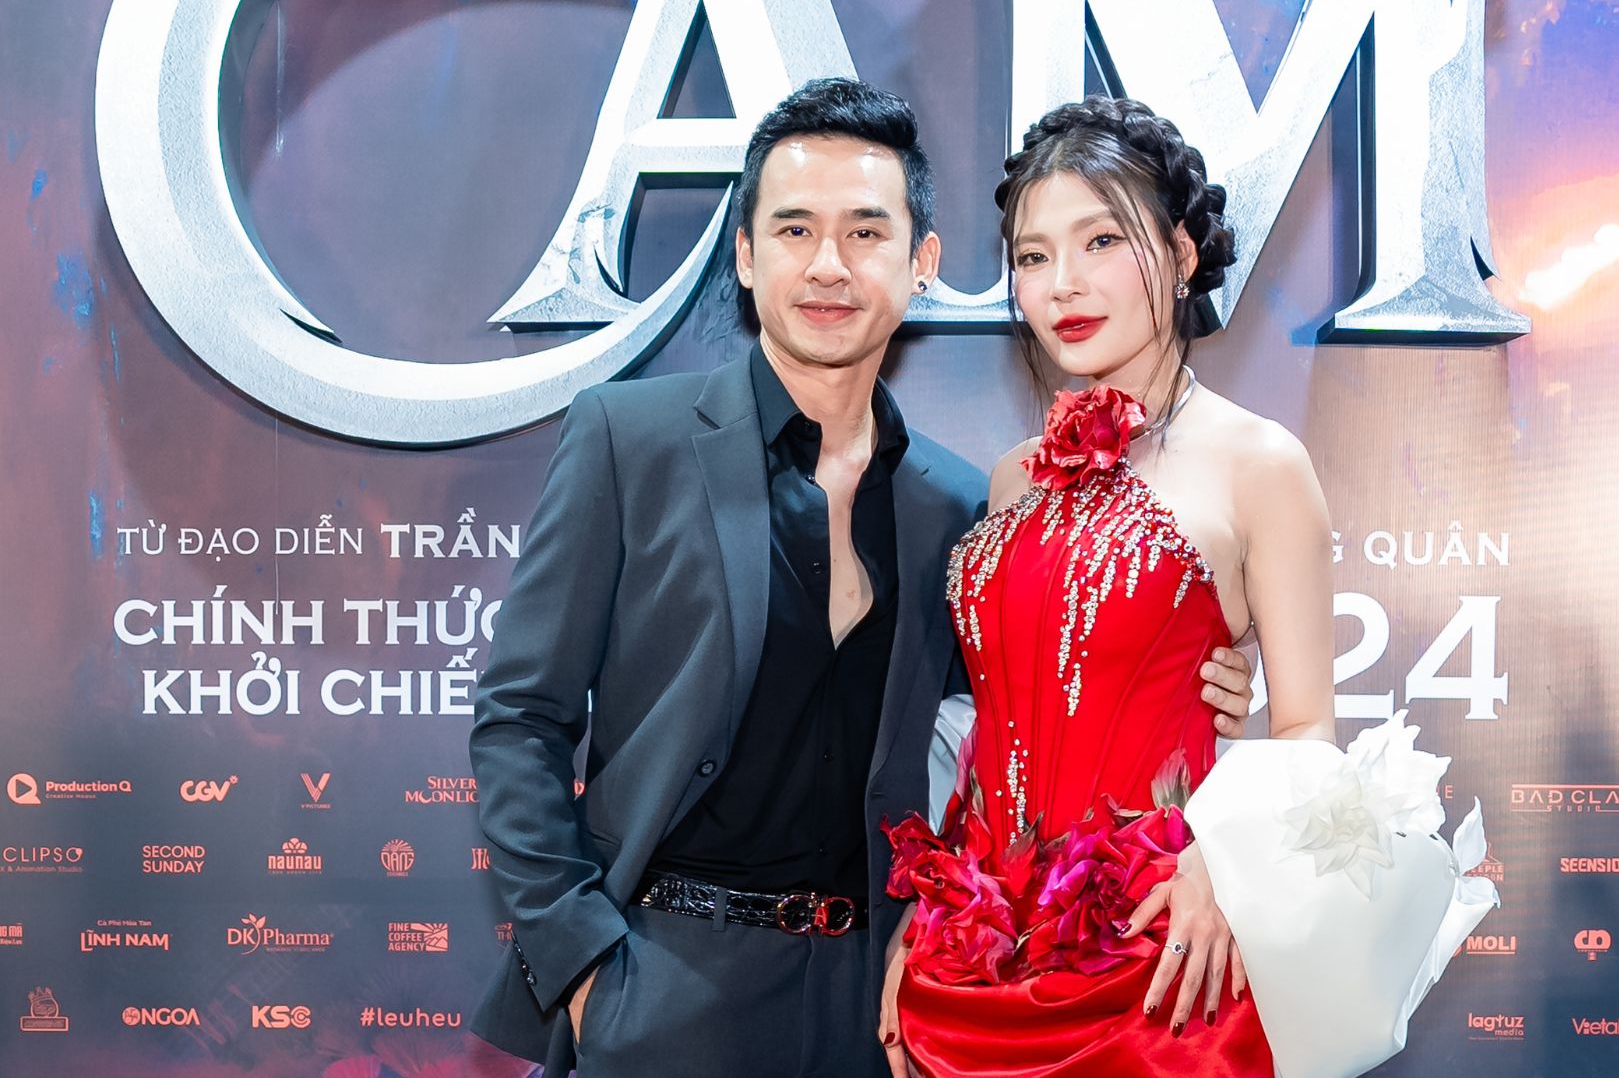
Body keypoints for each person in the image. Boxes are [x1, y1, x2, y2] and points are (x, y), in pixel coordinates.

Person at [466, 79, 1259, 1078]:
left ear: (922, 263)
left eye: (866, 232)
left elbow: (1020, 722)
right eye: (794, 229)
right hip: (661, 987)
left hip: (877, 1004)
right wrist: (585, 968)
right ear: (745, 256)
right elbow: (520, 718)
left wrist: (1214, 680)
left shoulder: (961, 505)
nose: (829, 265)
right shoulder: (629, 441)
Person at [876, 95, 1338, 1077]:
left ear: (1179, 253)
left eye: (1100, 242)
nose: (1064, 285)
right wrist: (926, 911)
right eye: (1033, 255)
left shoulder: (1260, 464)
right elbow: (994, 724)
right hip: (971, 967)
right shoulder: (1012, 476)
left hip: (1160, 961)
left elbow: (1308, 729)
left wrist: (1226, 860)